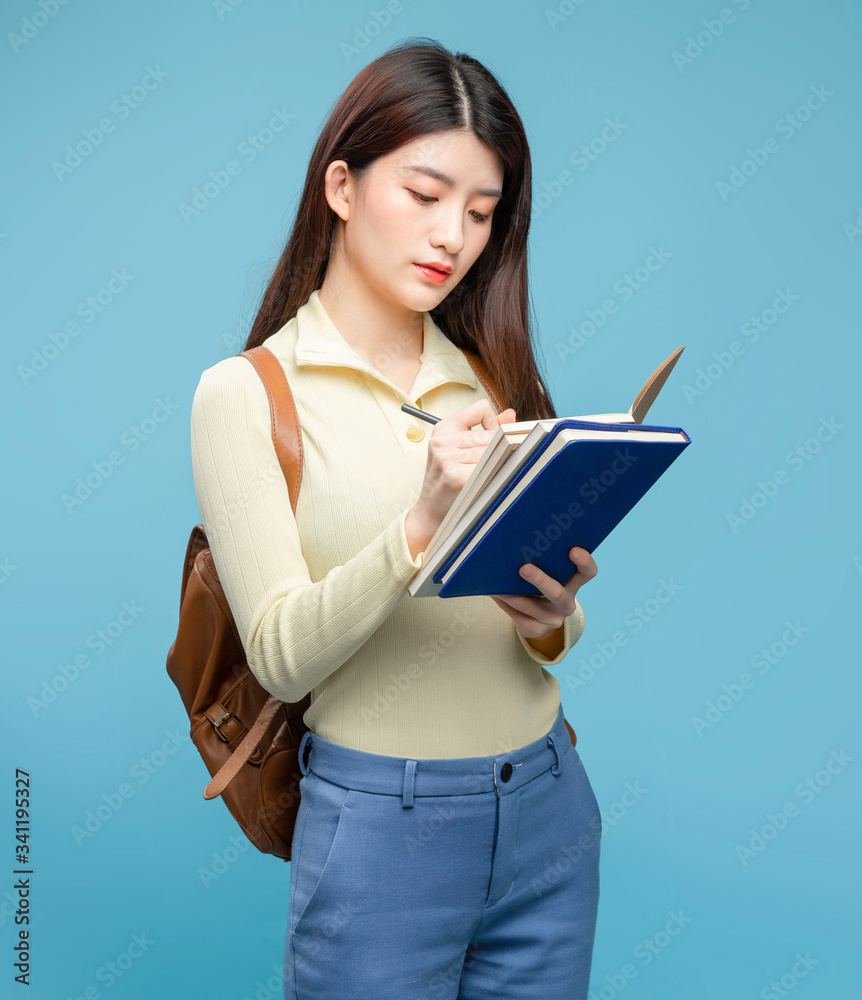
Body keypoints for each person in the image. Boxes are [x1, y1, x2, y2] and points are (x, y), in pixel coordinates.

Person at [190, 36, 601, 1000]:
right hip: (382, 831)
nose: (452, 236)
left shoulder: (487, 379)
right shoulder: (249, 395)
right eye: (425, 195)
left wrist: (551, 611)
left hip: (546, 806)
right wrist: (418, 523)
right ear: (342, 185)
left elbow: (547, 635)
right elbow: (283, 655)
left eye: (481, 212)